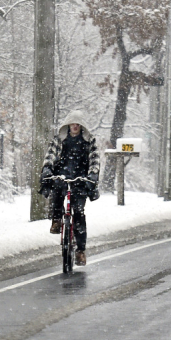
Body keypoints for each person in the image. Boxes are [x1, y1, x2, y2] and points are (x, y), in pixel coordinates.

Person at [38, 110, 100, 266]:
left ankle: (80, 250)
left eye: (78, 124)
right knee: (57, 195)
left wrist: (92, 174)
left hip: (81, 179)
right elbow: (50, 155)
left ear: (81, 126)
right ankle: (56, 220)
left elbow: (94, 160)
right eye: (73, 123)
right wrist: (47, 168)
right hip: (62, 177)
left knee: (78, 212)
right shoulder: (59, 139)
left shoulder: (89, 141)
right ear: (68, 125)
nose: (75, 126)